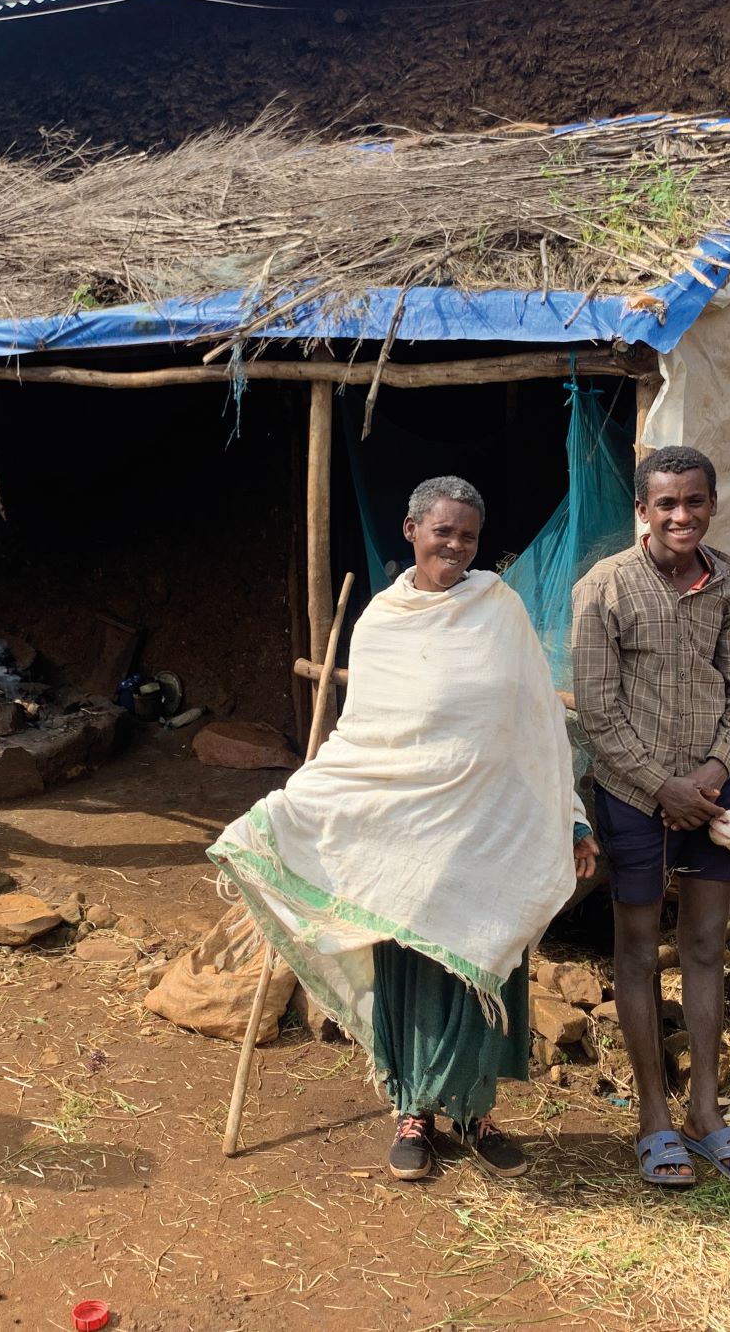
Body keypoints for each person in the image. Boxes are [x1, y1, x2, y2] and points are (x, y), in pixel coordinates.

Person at [209, 476, 596, 1182]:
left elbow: (541, 725)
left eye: (469, 536)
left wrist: (570, 818)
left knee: (484, 963)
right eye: (442, 531)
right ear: (411, 529)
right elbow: (363, 742)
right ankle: (413, 1112)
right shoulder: (383, 623)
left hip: (486, 835)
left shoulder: (500, 610)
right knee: (415, 973)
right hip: (409, 842)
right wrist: (286, 813)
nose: (455, 545)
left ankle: (476, 1116)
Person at [570, 444, 730, 1187]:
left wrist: (713, 773)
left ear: (712, 505)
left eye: (694, 501)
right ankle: (654, 1115)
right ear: (643, 513)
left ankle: (707, 1112)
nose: (681, 515)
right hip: (632, 796)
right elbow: (596, 710)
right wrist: (665, 787)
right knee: (636, 947)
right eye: (666, 504)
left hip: (713, 794)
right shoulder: (606, 588)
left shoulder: (727, 583)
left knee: (708, 944)